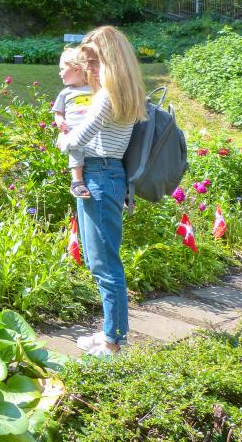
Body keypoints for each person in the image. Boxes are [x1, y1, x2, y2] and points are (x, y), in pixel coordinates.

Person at [57, 25, 147, 357]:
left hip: (99, 175)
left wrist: (62, 137)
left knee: (104, 263)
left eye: (93, 62)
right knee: (102, 261)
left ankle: (113, 343)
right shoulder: (123, 91)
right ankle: (110, 331)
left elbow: (75, 140)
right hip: (106, 174)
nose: (89, 69)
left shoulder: (109, 95)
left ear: (110, 60)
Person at [53, 47, 93, 198]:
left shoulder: (95, 89)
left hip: (92, 131)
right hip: (72, 132)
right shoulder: (65, 93)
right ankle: (77, 181)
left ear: (76, 69)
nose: (59, 73)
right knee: (76, 151)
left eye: (62, 69)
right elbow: (58, 112)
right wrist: (60, 122)